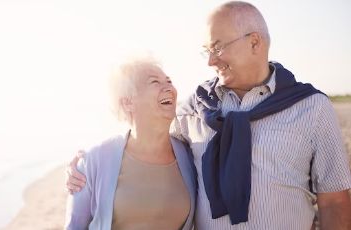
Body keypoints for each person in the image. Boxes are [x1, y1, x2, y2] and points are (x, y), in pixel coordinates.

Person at [66, 1, 351, 229]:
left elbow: (335, 201)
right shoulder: (193, 108)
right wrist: (85, 164)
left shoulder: (312, 107)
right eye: (207, 51)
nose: (211, 61)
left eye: (217, 47)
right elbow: (144, 136)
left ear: (255, 43)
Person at [65, 56, 197, 229]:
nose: (169, 88)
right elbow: (74, 225)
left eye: (169, 81)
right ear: (128, 102)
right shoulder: (94, 160)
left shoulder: (190, 155)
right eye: (155, 82)